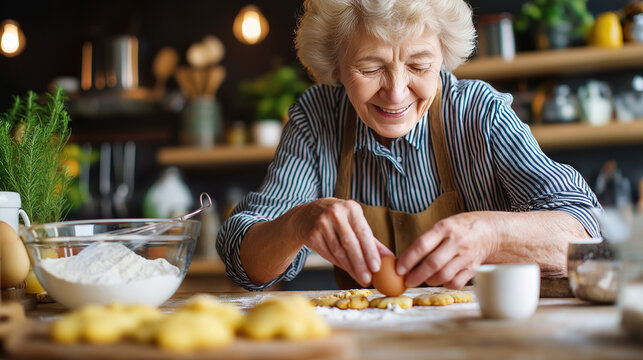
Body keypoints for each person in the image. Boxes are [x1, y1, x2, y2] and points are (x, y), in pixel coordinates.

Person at [216, 0, 600, 291]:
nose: (397, 92)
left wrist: (490, 235)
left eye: (418, 66)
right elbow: (242, 261)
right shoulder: (318, 120)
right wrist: (297, 224)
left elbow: (586, 232)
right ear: (335, 64)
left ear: (443, 57)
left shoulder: (478, 112)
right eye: (369, 68)